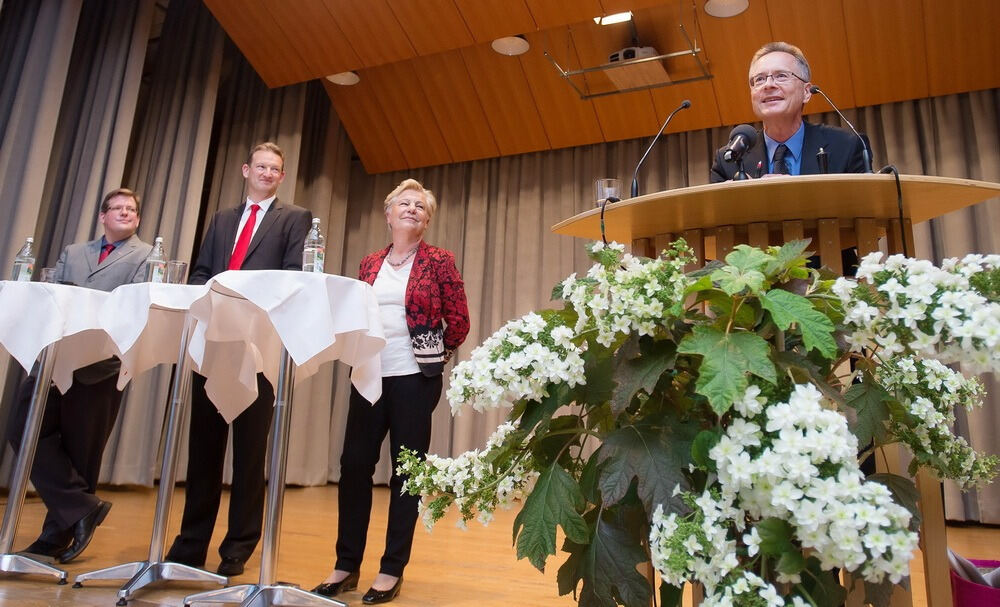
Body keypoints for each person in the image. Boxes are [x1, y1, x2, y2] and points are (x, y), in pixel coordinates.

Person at [312, 179, 469, 604]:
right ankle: (346, 565)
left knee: (406, 475)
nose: (412, 209)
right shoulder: (369, 263)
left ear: (427, 219)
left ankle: (390, 570)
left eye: (421, 206)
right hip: (368, 374)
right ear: (388, 213)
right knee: (353, 467)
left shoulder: (439, 260)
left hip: (415, 380)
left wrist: (435, 355)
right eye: (405, 203)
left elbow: (458, 319)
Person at [164, 142, 312, 577]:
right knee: (203, 451)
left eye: (275, 169)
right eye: (261, 166)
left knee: (250, 454)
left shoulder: (295, 218)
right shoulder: (221, 219)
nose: (267, 173)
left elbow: (291, 276)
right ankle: (191, 544)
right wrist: (202, 303)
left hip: (258, 345)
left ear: (281, 177)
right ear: (246, 169)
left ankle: (238, 548)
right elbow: (200, 272)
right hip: (213, 343)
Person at [7, 188, 151, 563]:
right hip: (54, 357)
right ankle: (83, 507)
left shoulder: (147, 255)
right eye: (117, 207)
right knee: (22, 428)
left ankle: (55, 535)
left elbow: (133, 304)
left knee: (81, 451)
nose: (125, 212)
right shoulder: (73, 252)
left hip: (99, 365)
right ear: (102, 216)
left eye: (131, 209)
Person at [710, 41, 869, 182]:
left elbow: (866, 210)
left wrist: (795, 193)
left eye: (781, 76)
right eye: (759, 79)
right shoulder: (728, 161)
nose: (768, 85)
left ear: (806, 92)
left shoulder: (846, 146)